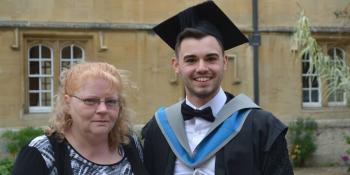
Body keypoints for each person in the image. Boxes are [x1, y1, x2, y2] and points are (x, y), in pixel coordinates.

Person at [142, 1, 294, 175]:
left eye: (211, 58)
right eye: (191, 60)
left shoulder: (262, 128)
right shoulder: (158, 130)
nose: (201, 68)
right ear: (176, 65)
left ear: (225, 61)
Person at [13, 62, 148, 175]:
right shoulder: (42, 153)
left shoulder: (129, 144)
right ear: (67, 104)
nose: (103, 109)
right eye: (90, 101)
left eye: (111, 101)